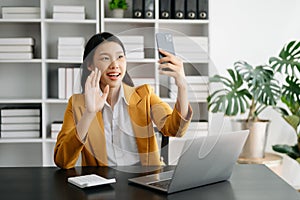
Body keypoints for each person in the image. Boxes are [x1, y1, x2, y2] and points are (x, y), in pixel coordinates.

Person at [54, 32, 193, 169]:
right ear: (90, 65)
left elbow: (176, 130)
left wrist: (182, 85)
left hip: (143, 181)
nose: (114, 65)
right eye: (105, 58)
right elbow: (62, 161)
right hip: (102, 184)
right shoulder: (77, 104)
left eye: (120, 57)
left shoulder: (145, 95)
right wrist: (89, 113)